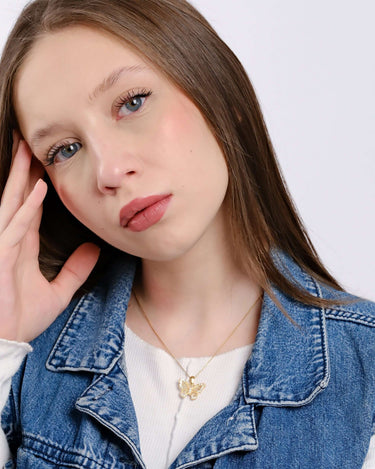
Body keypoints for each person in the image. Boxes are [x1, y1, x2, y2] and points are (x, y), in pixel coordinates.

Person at [0, 0, 374, 467]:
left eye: (132, 102)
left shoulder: (366, 371)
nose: (110, 170)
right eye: (65, 149)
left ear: (221, 94)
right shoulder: (20, 359)